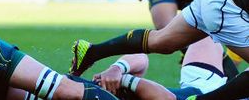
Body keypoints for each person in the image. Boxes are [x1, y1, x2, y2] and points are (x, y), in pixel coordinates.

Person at [69, 0, 249, 100]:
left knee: (161, 41)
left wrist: (119, 71)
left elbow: (140, 60)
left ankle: (93, 51)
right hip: (227, 2)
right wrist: (123, 78)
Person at [71, 37, 228, 99]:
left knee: (204, 33)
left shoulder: (105, 87)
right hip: (207, 91)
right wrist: (125, 79)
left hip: (199, 81)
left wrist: (117, 68)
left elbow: (141, 57)